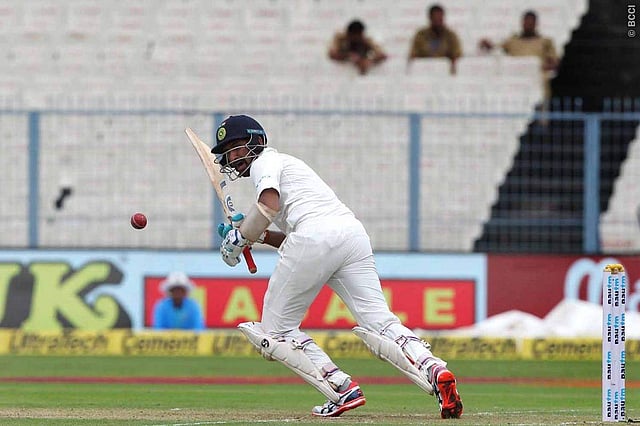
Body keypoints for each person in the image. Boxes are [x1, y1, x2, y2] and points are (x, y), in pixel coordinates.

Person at [211, 114, 463, 418]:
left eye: (235, 149)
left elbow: (268, 207)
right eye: (227, 153)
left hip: (317, 237)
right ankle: (434, 369)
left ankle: (340, 387)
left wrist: (239, 238)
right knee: (380, 322)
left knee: (274, 332)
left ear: (256, 142)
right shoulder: (289, 166)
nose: (231, 158)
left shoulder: (265, 162)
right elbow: (296, 236)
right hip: (351, 235)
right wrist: (257, 235)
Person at [479, 10, 559, 101]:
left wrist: (543, 66)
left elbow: (555, 62)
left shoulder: (546, 42)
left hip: (536, 78)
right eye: (526, 22)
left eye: (531, 22)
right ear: (522, 22)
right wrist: (487, 45)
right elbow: (496, 48)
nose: (528, 24)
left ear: (536, 24)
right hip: (515, 80)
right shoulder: (512, 41)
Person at [408, 4, 463, 74]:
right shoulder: (421, 35)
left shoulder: (451, 35)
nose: (437, 21)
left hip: (445, 73)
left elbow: (457, 55)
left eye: (440, 18)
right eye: (435, 18)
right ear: (430, 18)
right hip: (424, 73)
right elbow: (413, 55)